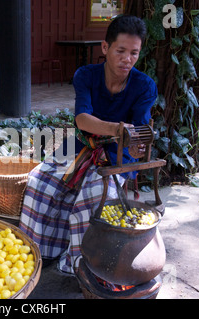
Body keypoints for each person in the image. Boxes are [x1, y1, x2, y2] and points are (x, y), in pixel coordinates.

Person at [19, 15, 158, 274]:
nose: (127, 59)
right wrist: (118, 128)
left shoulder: (144, 86)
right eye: (121, 51)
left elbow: (138, 132)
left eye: (134, 53)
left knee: (94, 196)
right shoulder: (85, 75)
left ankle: (81, 264)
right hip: (82, 143)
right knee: (39, 181)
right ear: (105, 48)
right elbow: (82, 119)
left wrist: (137, 146)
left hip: (119, 155)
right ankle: (39, 250)